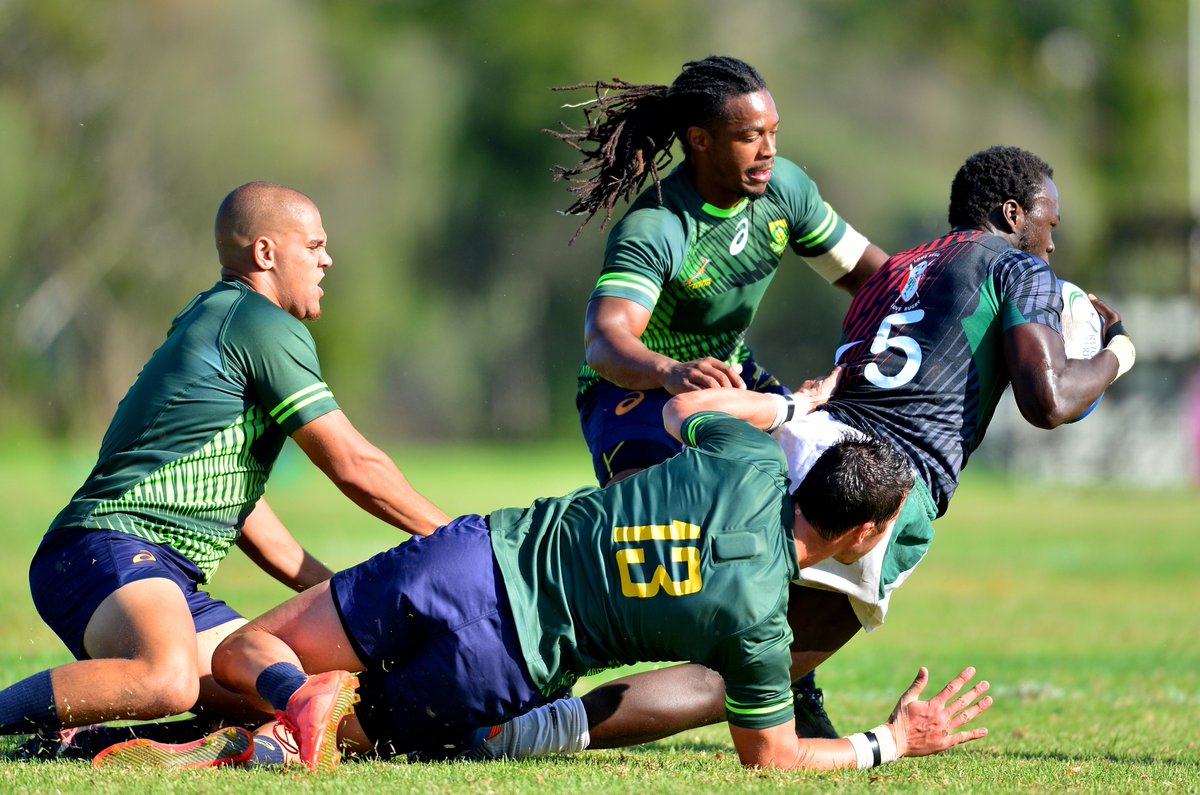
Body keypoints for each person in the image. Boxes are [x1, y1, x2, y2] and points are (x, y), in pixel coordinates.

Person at [442, 145, 1135, 762]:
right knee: (745, 673)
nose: (1050, 245)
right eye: (1050, 224)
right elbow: (1048, 401)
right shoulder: (1019, 268)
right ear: (1014, 214)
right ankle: (522, 731)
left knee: (688, 610)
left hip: (804, 442)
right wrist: (1117, 351)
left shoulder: (895, 270)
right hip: (877, 480)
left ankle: (500, 677)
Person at [93, 388, 992, 773]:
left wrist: (794, 406)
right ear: (861, 535)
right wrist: (891, 743)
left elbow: (681, 408)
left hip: (471, 559)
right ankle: (282, 728)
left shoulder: (750, 457)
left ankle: (285, 697)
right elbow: (775, 758)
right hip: (504, 664)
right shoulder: (760, 627)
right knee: (340, 742)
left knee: (252, 647)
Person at [0, 182, 450, 750]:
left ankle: (84, 745)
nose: (326, 259)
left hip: (159, 573)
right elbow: (353, 463)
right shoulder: (259, 322)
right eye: (313, 246)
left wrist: (342, 594)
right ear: (266, 254)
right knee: (168, 679)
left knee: (268, 692)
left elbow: (253, 519)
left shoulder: (221, 317)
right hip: (103, 546)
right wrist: (457, 539)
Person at [552, 53, 888, 736]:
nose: (768, 150)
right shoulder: (658, 226)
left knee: (810, 511)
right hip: (634, 398)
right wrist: (670, 371)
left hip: (733, 382)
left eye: (773, 132)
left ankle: (793, 685)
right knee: (673, 553)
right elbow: (606, 340)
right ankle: (536, 672)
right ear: (700, 139)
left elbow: (874, 278)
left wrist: (938, 295)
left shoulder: (785, 192)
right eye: (749, 136)